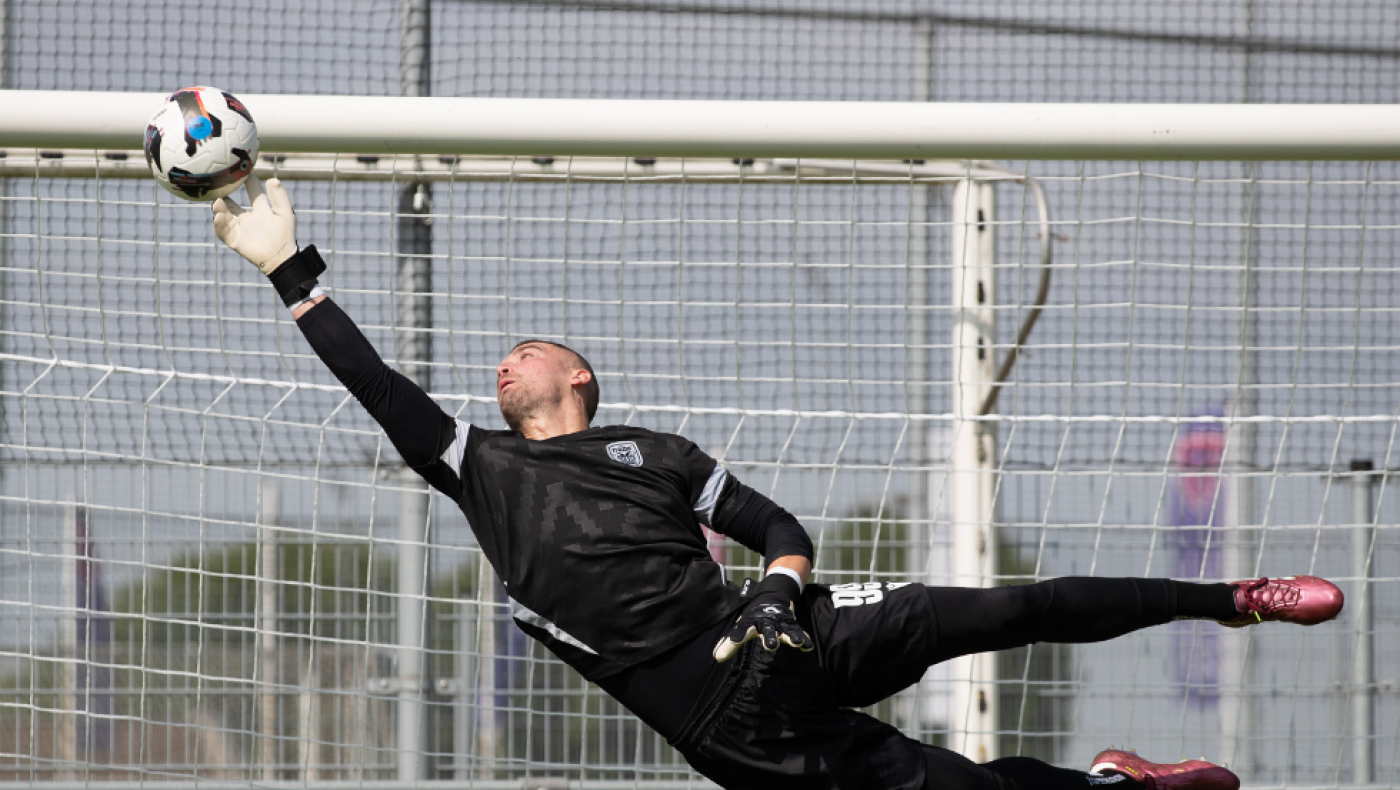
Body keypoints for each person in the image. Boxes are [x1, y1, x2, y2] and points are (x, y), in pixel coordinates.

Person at [212, 174, 1345, 790]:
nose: (506, 359)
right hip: (727, 730)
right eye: (501, 358)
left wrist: (773, 593)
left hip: (786, 633)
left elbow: (778, 528)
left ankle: (1231, 596)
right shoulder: (480, 468)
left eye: (531, 346)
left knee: (1011, 605)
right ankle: (1118, 786)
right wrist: (292, 274)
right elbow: (374, 381)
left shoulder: (650, 453)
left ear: (578, 377)